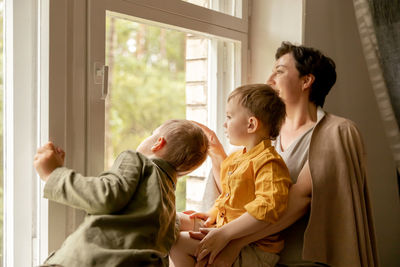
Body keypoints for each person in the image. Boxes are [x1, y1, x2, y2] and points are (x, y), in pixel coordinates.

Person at [191, 42, 378, 267]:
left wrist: (233, 241)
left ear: (306, 81)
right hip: (250, 254)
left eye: (279, 71)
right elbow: (239, 198)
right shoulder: (261, 136)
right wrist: (218, 155)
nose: (270, 79)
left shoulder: (336, 131)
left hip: (300, 260)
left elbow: (298, 201)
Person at [34, 119, 209, 267]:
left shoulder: (136, 161)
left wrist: (54, 174)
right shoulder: (167, 203)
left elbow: (106, 196)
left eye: (151, 134)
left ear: (158, 142)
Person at [169, 84, 293, 267]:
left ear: (251, 124)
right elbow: (229, 196)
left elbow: (267, 208)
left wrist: (224, 232)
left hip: (254, 247)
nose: (224, 124)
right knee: (171, 221)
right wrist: (211, 214)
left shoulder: (269, 163)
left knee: (179, 244)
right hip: (224, 228)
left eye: (229, 117)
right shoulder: (237, 157)